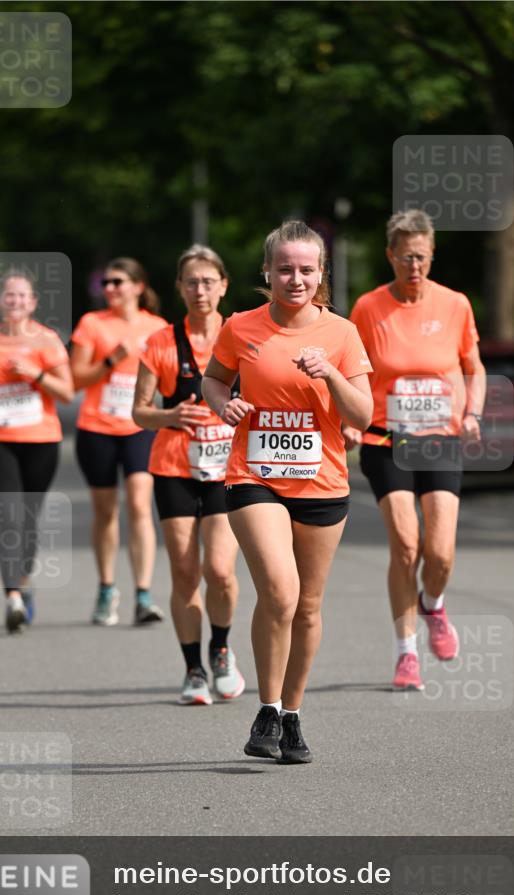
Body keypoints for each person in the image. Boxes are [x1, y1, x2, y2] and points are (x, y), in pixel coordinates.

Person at [202, 220, 373, 763]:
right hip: (254, 476)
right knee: (279, 590)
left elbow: (363, 414)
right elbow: (213, 378)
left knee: (308, 605)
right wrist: (221, 403)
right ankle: (267, 708)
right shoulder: (241, 327)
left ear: (320, 274)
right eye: (284, 269)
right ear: (267, 272)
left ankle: (293, 715)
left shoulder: (341, 334)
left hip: (322, 481)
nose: (294, 278)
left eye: (305, 269)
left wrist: (330, 376)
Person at [346, 209, 486, 691]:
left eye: (422, 256)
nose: (414, 265)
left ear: (432, 255)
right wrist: (348, 419)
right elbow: (352, 371)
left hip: (441, 439)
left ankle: (433, 601)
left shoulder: (455, 304)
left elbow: (474, 366)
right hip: (386, 439)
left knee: (440, 552)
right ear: (390, 255)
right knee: (406, 545)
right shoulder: (368, 308)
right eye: (405, 256)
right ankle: (406, 652)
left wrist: (473, 414)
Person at [132, 244, 245, 706]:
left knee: (218, 570)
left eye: (208, 281)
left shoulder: (242, 335)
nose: (201, 290)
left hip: (228, 469)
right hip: (174, 467)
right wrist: (172, 415)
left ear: (223, 286)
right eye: (191, 282)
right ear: (179, 288)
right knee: (183, 571)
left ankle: (220, 648)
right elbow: (139, 412)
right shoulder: (160, 342)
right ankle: (193, 668)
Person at [0, 271, 74, 632]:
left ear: (33, 303)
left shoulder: (47, 340)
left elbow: (66, 392)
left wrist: (35, 374)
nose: (14, 301)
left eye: (21, 296)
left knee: (28, 519)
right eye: (9, 296)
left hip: (41, 441)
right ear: (1, 302)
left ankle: (23, 583)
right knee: (9, 516)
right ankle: (12, 596)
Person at [70, 258, 167, 626]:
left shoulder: (157, 327)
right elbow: (76, 379)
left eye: (117, 282)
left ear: (138, 287)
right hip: (97, 427)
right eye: (106, 283)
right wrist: (113, 358)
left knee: (141, 505)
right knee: (106, 511)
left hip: (140, 427)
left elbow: (168, 377)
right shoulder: (92, 324)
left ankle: (143, 593)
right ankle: (107, 587)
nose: (110, 289)